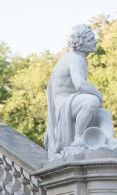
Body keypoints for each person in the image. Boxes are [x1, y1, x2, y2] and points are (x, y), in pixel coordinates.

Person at [45, 24, 115, 160]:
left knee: (104, 114)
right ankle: (78, 139)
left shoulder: (73, 57)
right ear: (81, 41)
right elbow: (80, 84)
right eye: (91, 39)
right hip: (64, 104)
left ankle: (108, 141)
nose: (95, 41)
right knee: (92, 101)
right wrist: (98, 96)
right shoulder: (75, 58)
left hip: (72, 102)